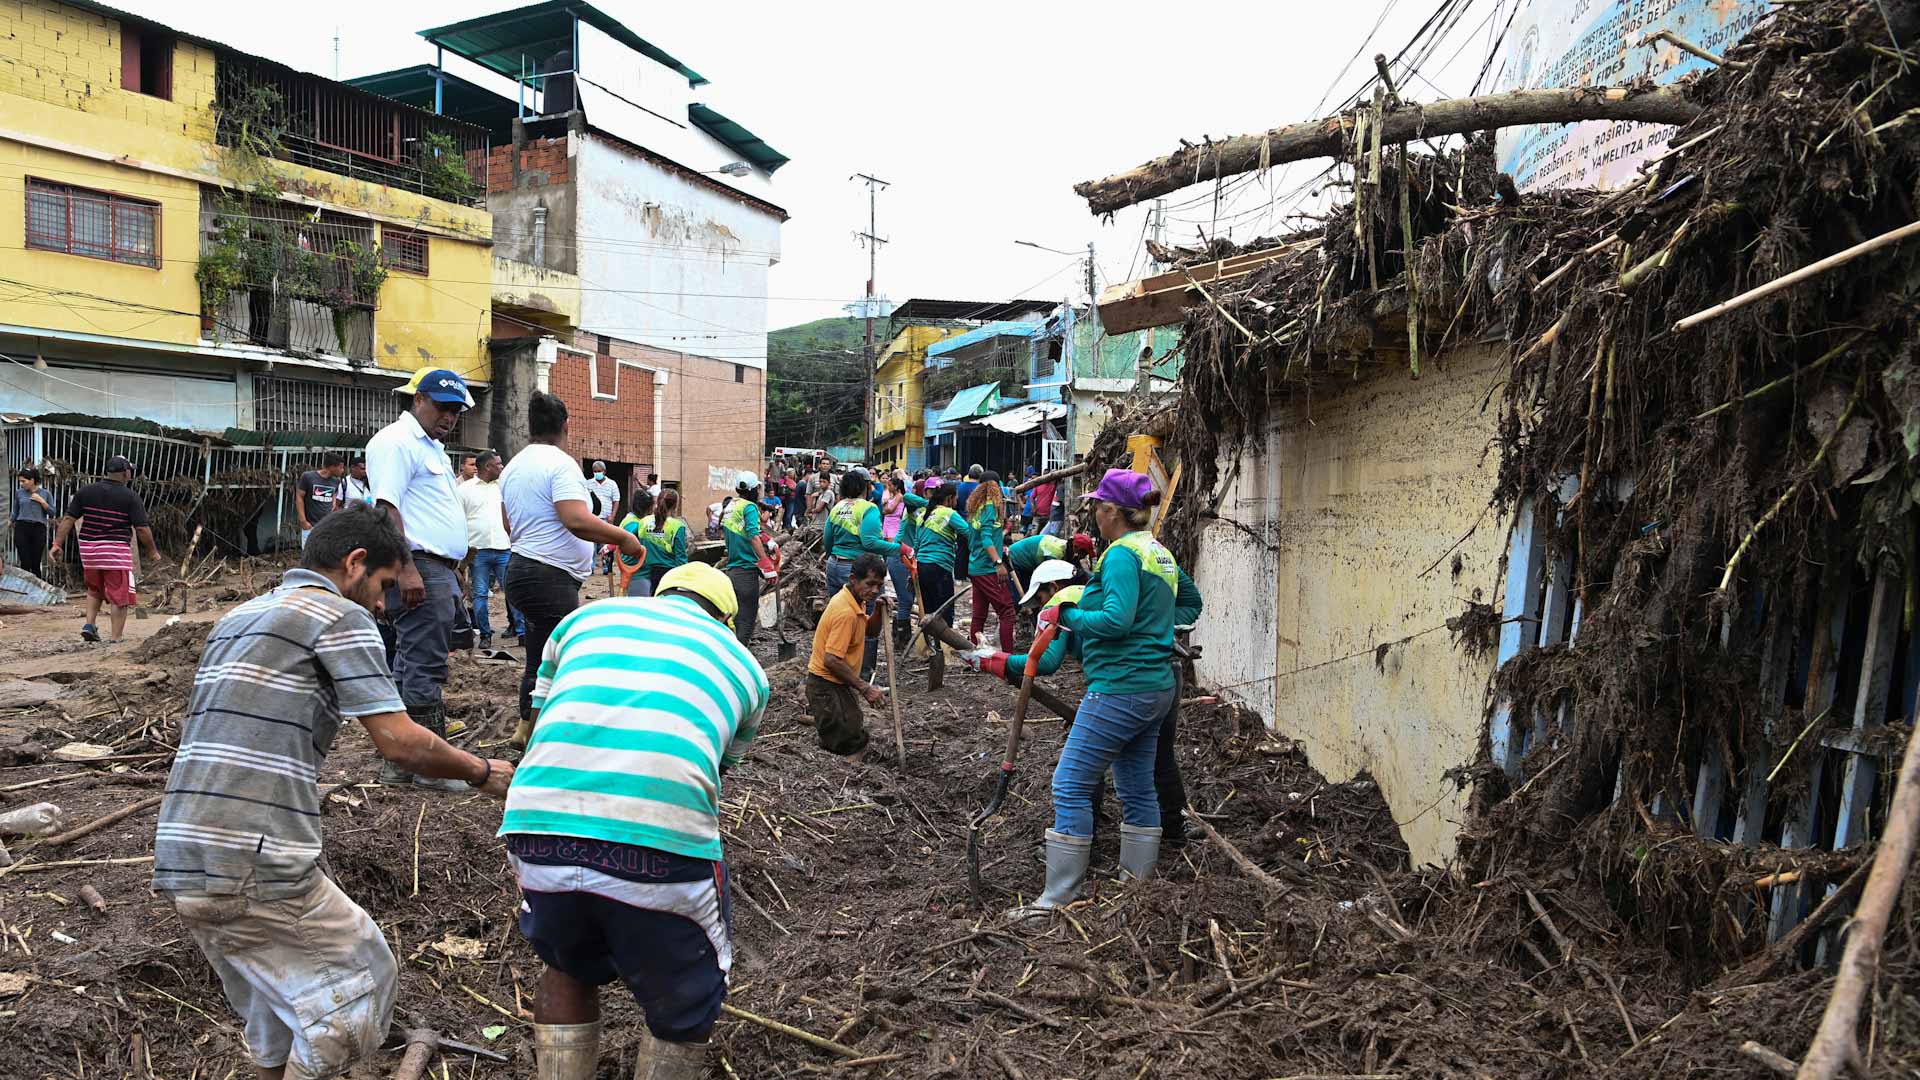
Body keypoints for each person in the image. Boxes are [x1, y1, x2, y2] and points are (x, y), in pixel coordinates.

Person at [155, 504, 514, 1080]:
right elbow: (399, 741)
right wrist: (481, 770)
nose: (383, 604)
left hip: (182, 851)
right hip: (254, 855)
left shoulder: (240, 617)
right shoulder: (337, 617)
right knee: (360, 989)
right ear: (355, 564)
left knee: (277, 1013)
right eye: (385, 586)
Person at [504, 562, 767, 1080]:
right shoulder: (746, 668)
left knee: (565, 965)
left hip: (537, 822)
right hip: (660, 835)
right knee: (688, 996)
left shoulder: (582, 621)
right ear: (725, 621)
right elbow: (714, 769)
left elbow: (537, 719)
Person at [1005, 470, 1185, 921]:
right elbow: (1190, 603)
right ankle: (1137, 886)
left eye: (1096, 506)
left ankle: (1058, 898)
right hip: (1155, 685)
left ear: (1112, 511)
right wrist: (1156, 630)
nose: (1092, 513)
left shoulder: (1122, 556)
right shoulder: (1157, 552)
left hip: (1120, 689)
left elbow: (1116, 620)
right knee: (1136, 783)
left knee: (1069, 784)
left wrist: (1068, 614)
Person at [503, 393, 644, 746]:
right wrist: (625, 539)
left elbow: (508, 523)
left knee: (538, 655)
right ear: (566, 426)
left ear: (529, 426)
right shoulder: (560, 464)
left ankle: (526, 729)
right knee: (561, 660)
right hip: (548, 577)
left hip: (521, 569)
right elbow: (575, 519)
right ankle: (551, 741)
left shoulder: (513, 466)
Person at [364, 367, 479, 789]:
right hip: (418, 564)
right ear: (418, 400)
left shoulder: (430, 448)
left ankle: (401, 762)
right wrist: (408, 566)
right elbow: (386, 509)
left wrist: (453, 571)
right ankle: (429, 765)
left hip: (436, 568)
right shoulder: (396, 443)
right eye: (443, 407)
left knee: (409, 662)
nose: (450, 417)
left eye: (456, 410)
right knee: (424, 665)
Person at [51, 455, 157, 644]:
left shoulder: (85, 491)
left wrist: (57, 544)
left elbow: (68, 519)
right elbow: (141, 528)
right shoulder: (130, 497)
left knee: (94, 589)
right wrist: (152, 551)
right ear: (126, 473)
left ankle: (89, 625)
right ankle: (116, 638)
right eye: (130, 470)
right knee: (119, 596)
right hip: (114, 552)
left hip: (89, 552)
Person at [824, 470, 910, 682]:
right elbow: (870, 542)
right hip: (858, 571)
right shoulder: (868, 508)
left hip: (834, 565)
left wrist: (833, 557)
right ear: (865, 486)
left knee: (839, 617)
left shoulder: (838, 507)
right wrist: (900, 549)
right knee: (867, 622)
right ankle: (864, 674)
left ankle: (839, 665)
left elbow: (828, 539)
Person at [806, 553, 888, 763]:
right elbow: (831, 660)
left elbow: (869, 631)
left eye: (879, 585)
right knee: (849, 740)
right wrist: (865, 688)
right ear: (853, 579)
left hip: (838, 682)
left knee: (852, 729)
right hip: (825, 685)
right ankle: (844, 780)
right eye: (870, 584)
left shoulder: (855, 601)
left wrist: (878, 610)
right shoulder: (845, 612)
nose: (875, 591)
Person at [460, 450, 524, 650]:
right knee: (479, 594)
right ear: (487, 467)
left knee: (513, 592)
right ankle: (485, 635)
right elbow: (459, 521)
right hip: (478, 551)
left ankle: (522, 633)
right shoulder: (464, 490)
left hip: (504, 548)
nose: (502, 467)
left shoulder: (504, 487)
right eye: (498, 463)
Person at [719, 472, 778, 647]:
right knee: (746, 620)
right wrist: (766, 563)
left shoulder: (731, 505)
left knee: (735, 618)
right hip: (746, 570)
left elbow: (744, 530)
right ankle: (738, 659)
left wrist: (767, 540)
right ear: (753, 489)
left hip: (733, 569)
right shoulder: (750, 507)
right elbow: (752, 536)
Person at [964, 476, 1017, 653]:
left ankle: (974, 655)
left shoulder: (976, 508)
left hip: (975, 567)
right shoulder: (989, 507)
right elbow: (986, 538)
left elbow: (980, 536)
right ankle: (1009, 659)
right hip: (987, 568)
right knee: (1007, 612)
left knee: (979, 615)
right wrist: (998, 562)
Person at [880, 472, 927, 648]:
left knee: (910, 597)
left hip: (908, 557)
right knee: (906, 599)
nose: (912, 492)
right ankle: (901, 639)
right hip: (900, 557)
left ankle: (902, 636)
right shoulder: (912, 505)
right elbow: (908, 497)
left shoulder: (919, 511)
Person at [911, 483, 964, 635]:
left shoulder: (922, 515)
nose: (957, 502)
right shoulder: (949, 513)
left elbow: (916, 544)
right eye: (956, 498)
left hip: (921, 566)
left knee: (928, 610)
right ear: (949, 498)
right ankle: (945, 649)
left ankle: (929, 647)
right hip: (940, 567)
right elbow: (969, 533)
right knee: (944, 611)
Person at [637, 488, 689, 595]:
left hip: (645, 572)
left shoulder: (643, 522)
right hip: (668, 575)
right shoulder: (677, 526)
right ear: (675, 506)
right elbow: (681, 558)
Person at [295, 452, 345, 548]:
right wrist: (303, 520)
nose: (342, 470)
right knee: (309, 557)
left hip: (327, 526)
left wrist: (333, 506)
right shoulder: (308, 477)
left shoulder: (336, 481)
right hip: (310, 526)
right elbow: (299, 497)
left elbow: (334, 496)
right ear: (332, 467)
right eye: (341, 467)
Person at [11, 467, 51, 579]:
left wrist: (41, 501)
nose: (21, 483)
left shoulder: (45, 493)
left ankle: (37, 592)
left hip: (38, 529)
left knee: (35, 563)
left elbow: (52, 512)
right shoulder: (19, 493)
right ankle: (25, 590)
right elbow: (15, 512)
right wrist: (8, 523)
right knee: (25, 562)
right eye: (20, 481)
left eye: (23, 481)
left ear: (32, 480)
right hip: (22, 528)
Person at [616, 488, 656, 597]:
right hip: (638, 573)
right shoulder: (636, 525)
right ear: (647, 508)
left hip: (634, 570)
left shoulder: (629, 518)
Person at [1008, 531, 1096, 581]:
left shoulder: (1068, 548)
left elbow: (1079, 571)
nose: (1084, 557)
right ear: (1076, 548)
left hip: (1027, 561)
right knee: (1018, 596)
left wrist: (1096, 578)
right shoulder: (1056, 553)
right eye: (1084, 554)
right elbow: (1050, 578)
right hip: (1015, 559)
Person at [586, 462, 621, 575]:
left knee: (606, 545)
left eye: (599, 471)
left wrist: (613, 515)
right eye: (595, 471)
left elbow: (616, 500)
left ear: (604, 471)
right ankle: (590, 568)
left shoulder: (612, 484)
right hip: (592, 519)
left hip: (606, 519)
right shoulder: (588, 483)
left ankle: (607, 568)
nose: (597, 473)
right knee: (591, 546)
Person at [1032, 472, 1061, 537]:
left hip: (1048, 515)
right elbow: (1032, 497)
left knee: (1046, 535)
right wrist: (1033, 508)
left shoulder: (1053, 486)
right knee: (1034, 533)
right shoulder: (1038, 485)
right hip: (1037, 514)